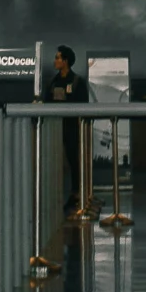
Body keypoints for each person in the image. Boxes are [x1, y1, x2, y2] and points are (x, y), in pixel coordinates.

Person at [45, 44, 87, 209]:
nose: (55, 61)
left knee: (73, 161)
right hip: (54, 128)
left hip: (72, 129)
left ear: (66, 61)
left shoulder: (77, 82)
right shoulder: (53, 82)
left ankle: (76, 193)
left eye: (58, 58)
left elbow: (83, 106)